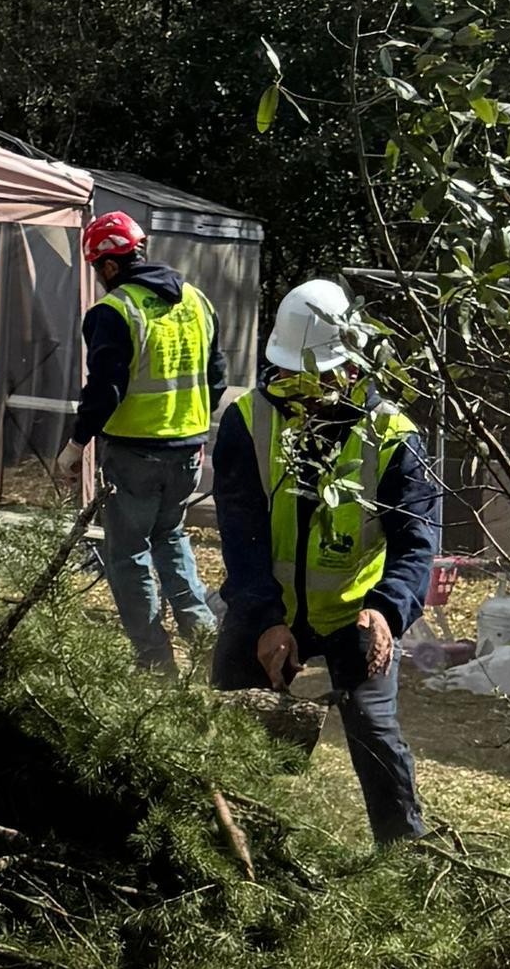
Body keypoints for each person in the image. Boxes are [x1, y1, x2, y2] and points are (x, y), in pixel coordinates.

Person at [208, 275, 438, 848]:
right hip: (266, 601)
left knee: (375, 732)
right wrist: (265, 618)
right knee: (234, 716)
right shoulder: (248, 422)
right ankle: (230, 840)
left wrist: (387, 612)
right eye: (293, 376)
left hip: (356, 612)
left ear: (354, 366)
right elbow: (241, 533)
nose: (306, 392)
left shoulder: (393, 436)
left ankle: (403, 856)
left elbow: (416, 543)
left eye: (320, 377)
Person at [81, 205, 214, 673]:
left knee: (127, 555)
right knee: (170, 536)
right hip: (188, 451)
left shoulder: (114, 311)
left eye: (97, 268)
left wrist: (76, 443)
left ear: (109, 265)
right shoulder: (195, 300)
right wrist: (192, 424)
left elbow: (106, 389)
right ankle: (207, 645)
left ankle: (155, 663)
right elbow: (216, 375)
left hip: (134, 453)